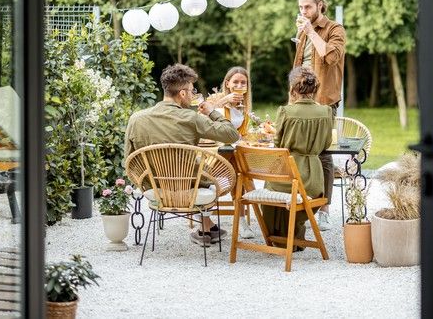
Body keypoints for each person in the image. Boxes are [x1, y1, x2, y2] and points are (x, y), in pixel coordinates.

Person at [124, 63, 240, 247]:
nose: (193, 95)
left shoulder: (136, 119)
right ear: (183, 94)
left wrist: (145, 183)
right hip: (190, 187)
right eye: (193, 91)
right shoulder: (191, 118)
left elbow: (129, 160)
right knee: (210, 174)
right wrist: (212, 112)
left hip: (155, 187)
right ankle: (206, 228)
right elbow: (232, 135)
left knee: (201, 170)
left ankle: (207, 228)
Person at [293, 0, 345, 231]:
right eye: (301, 7)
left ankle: (324, 210)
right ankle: (303, 205)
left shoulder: (335, 29)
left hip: (323, 101)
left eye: (308, 7)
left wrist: (310, 31)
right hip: (299, 100)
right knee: (297, 151)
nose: (303, 11)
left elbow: (329, 57)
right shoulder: (304, 31)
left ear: (320, 5)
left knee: (323, 153)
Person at [262, 67, 333, 247]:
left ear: (292, 89)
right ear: (315, 88)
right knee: (296, 197)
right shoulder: (326, 112)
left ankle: (280, 238)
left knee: (270, 186)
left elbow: (278, 144)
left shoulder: (286, 111)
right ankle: (295, 237)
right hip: (312, 180)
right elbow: (326, 144)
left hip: (286, 175)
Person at [211, 66, 257, 239]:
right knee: (213, 180)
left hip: (234, 151)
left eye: (243, 83)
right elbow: (202, 111)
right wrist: (224, 99)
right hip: (217, 152)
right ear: (227, 83)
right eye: (235, 82)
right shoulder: (217, 99)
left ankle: (242, 221)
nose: (239, 85)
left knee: (240, 176)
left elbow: (241, 134)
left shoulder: (244, 106)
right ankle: (204, 217)